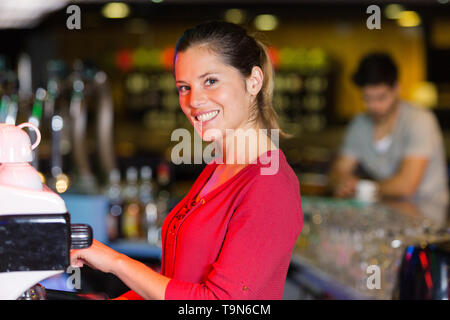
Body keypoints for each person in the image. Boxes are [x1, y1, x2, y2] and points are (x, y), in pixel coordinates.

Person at [70, 21, 303, 300]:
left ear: (254, 81)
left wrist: (116, 263)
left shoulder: (270, 184)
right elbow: (178, 283)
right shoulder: (217, 169)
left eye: (211, 81)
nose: (194, 100)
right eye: (184, 87)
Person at [329, 53, 449, 205]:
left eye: (381, 98)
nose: (374, 106)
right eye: (367, 98)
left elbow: (406, 185)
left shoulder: (420, 120)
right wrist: (341, 182)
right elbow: (339, 170)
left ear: (397, 89)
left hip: (428, 213)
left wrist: (360, 187)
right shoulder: (359, 124)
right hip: (387, 212)